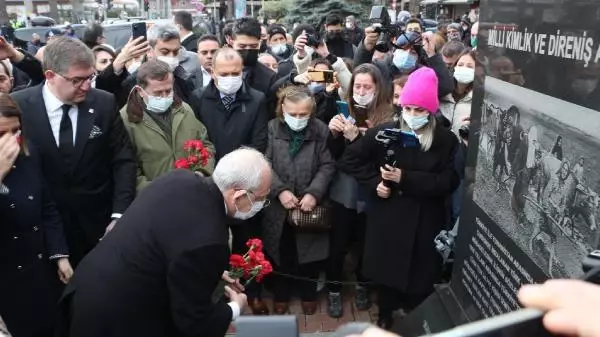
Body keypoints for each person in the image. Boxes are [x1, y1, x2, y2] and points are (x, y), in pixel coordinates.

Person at [59, 148, 272, 337]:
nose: (262, 204)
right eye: (261, 198)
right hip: (118, 317)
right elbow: (194, 322)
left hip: (89, 287)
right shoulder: (211, 240)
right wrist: (234, 308)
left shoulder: (179, 179)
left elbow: (172, 246)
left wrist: (209, 271)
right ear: (239, 195)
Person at [339, 67, 459, 329]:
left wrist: (404, 178)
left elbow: (447, 181)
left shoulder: (445, 140)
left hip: (425, 216)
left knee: (421, 270)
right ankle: (385, 312)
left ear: (431, 111)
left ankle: (416, 314)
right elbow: (350, 159)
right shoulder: (385, 133)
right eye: (409, 109)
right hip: (389, 214)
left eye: (420, 111)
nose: (413, 116)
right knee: (387, 268)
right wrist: (374, 183)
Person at [10, 37, 137, 266]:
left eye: (90, 78)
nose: (86, 87)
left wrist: (119, 215)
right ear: (50, 76)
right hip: (44, 231)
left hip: (99, 226)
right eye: (77, 80)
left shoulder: (103, 103)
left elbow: (123, 160)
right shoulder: (19, 106)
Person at [0, 93, 73, 337]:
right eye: (1, 134)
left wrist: (59, 255)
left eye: (15, 131)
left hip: (38, 269)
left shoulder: (30, 155)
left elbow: (47, 208)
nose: (10, 141)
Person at [262, 85, 335, 315]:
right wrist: (280, 190)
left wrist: (314, 193)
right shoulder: (273, 128)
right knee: (281, 250)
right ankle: (281, 294)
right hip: (279, 204)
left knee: (309, 251)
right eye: (293, 114)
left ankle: (308, 294)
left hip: (309, 203)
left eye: (303, 114)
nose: (298, 119)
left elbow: (327, 164)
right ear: (283, 109)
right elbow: (265, 162)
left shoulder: (319, 130)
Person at [121, 59, 215, 191]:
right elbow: (128, 169)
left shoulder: (184, 110)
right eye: (158, 93)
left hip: (191, 190)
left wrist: (201, 173)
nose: (165, 97)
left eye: (168, 91)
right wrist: (158, 191)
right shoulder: (126, 120)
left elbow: (205, 145)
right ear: (140, 91)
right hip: (153, 199)